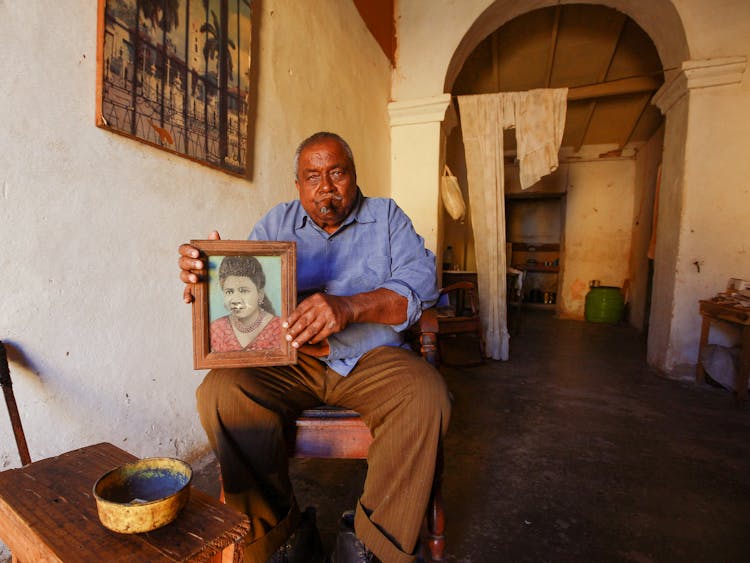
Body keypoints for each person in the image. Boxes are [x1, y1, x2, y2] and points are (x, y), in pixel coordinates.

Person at [179, 132, 451, 563]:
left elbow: (422, 287)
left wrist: (349, 307)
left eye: (336, 173)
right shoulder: (275, 222)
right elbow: (248, 298)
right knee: (221, 392)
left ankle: (368, 546)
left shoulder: (386, 218)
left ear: (354, 176)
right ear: (298, 186)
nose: (326, 187)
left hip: (372, 359)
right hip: (291, 360)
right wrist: (209, 276)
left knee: (426, 396)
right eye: (312, 177)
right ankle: (281, 538)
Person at [210, 255, 281, 352]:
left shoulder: (279, 328)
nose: (236, 300)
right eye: (229, 292)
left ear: (260, 294)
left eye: (243, 291)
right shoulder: (216, 329)